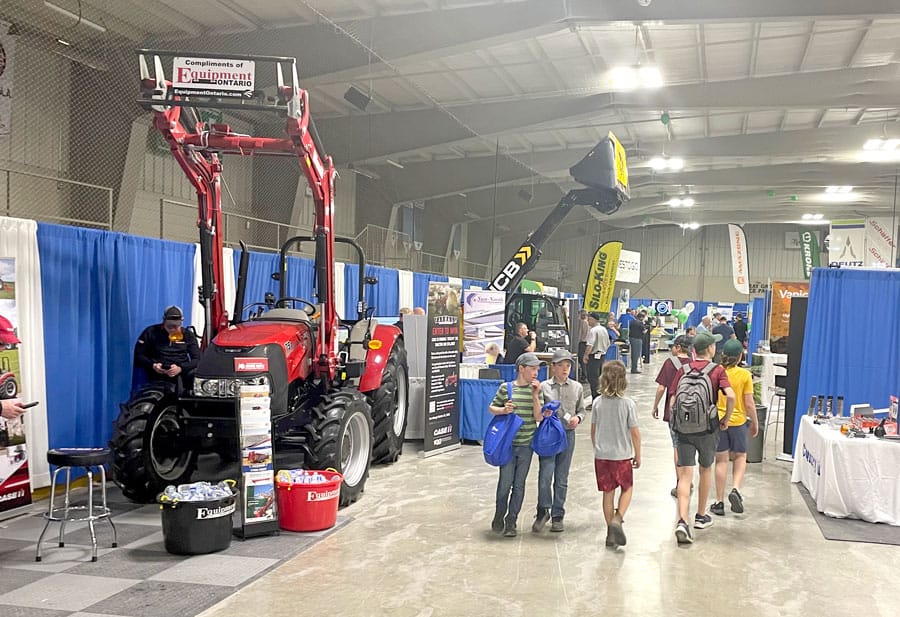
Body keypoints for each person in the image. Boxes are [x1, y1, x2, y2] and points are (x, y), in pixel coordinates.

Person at [669, 332, 735, 545]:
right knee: (705, 469)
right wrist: (725, 417)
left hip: (683, 429)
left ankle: (681, 520)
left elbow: (673, 401)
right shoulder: (717, 371)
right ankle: (700, 516)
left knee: (685, 475)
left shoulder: (683, 370)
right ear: (711, 349)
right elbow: (731, 396)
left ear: (694, 350)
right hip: (707, 429)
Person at [488, 352, 545, 537]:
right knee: (505, 483)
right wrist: (504, 410)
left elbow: (538, 417)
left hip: (526, 445)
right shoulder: (507, 388)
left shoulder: (537, 389)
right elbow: (492, 408)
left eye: (537, 369)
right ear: (521, 369)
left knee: (519, 485)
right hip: (508, 445)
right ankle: (499, 514)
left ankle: (511, 520)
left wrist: (536, 396)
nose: (536, 372)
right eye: (533, 368)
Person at [534, 349, 587, 533]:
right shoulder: (544, 387)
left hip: (567, 435)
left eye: (568, 365)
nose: (565, 369)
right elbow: (538, 410)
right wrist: (543, 413)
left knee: (562, 477)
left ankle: (558, 514)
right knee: (545, 475)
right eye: (561, 366)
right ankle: (542, 510)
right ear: (553, 367)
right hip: (548, 435)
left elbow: (582, 410)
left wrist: (578, 419)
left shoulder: (577, 387)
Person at [590, 360, 641, 548]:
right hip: (622, 456)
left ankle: (610, 533)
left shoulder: (597, 403)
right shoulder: (628, 404)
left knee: (608, 493)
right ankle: (618, 519)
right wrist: (638, 454)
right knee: (627, 488)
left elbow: (593, 430)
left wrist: (598, 448)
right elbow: (634, 432)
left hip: (602, 455)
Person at [710, 339, 759, 517]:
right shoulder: (744, 375)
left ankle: (719, 501)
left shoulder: (715, 371)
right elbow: (749, 403)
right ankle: (736, 489)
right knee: (740, 456)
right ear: (740, 357)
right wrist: (755, 422)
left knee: (721, 460)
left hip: (719, 421)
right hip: (738, 422)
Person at [651, 335, 693, 497]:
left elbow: (662, 388)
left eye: (672, 346)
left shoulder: (670, 363)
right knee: (689, 446)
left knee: (677, 446)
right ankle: (688, 479)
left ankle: (680, 483)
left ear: (678, 347)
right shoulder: (694, 364)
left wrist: (655, 406)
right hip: (694, 413)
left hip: (674, 411)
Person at [134, 305, 201, 390]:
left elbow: (197, 359)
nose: (172, 329)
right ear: (164, 321)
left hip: (181, 374)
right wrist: (153, 365)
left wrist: (180, 368)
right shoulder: (151, 332)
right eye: (169, 327)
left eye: (176, 327)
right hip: (157, 375)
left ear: (182, 322)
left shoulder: (188, 335)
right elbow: (139, 355)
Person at [582, 312, 611, 400]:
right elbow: (608, 343)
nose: (588, 321)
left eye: (589, 319)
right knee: (600, 377)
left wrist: (586, 355)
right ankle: (601, 396)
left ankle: (595, 398)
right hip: (602, 356)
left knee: (593, 379)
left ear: (593, 320)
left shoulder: (593, 330)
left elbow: (590, 344)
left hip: (594, 357)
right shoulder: (604, 329)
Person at [577, 310, 590, 381]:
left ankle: (584, 376)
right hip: (584, 343)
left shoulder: (583, 322)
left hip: (583, 343)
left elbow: (581, 334)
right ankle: (584, 375)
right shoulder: (586, 322)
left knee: (582, 359)